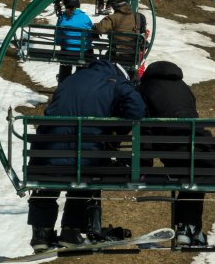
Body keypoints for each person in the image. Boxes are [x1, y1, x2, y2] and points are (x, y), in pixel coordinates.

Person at [139, 60, 215, 252]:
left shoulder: (145, 89)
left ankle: (187, 230)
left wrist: (143, 165)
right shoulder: (183, 88)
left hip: (173, 152)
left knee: (194, 174)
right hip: (197, 144)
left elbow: (144, 129)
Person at [27, 55, 146, 251]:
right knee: (85, 175)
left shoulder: (72, 79)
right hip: (87, 157)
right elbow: (137, 110)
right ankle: (71, 230)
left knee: (49, 177)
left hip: (47, 152)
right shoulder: (116, 81)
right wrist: (117, 130)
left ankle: (41, 235)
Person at [94, 0, 148, 80]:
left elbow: (100, 28)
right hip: (132, 56)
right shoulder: (136, 17)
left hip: (117, 55)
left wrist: (95, 25)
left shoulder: (113, 18)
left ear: (115, 5)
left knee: (102, 62)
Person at [54, 0, 94, 83]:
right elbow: (90, 35)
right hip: (83, 53)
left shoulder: (62, 19)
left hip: (67, 52)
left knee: (64, 55)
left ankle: (63, 79)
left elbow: (58, 38)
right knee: (88, 51)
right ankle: (80, 78)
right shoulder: (85, 18)